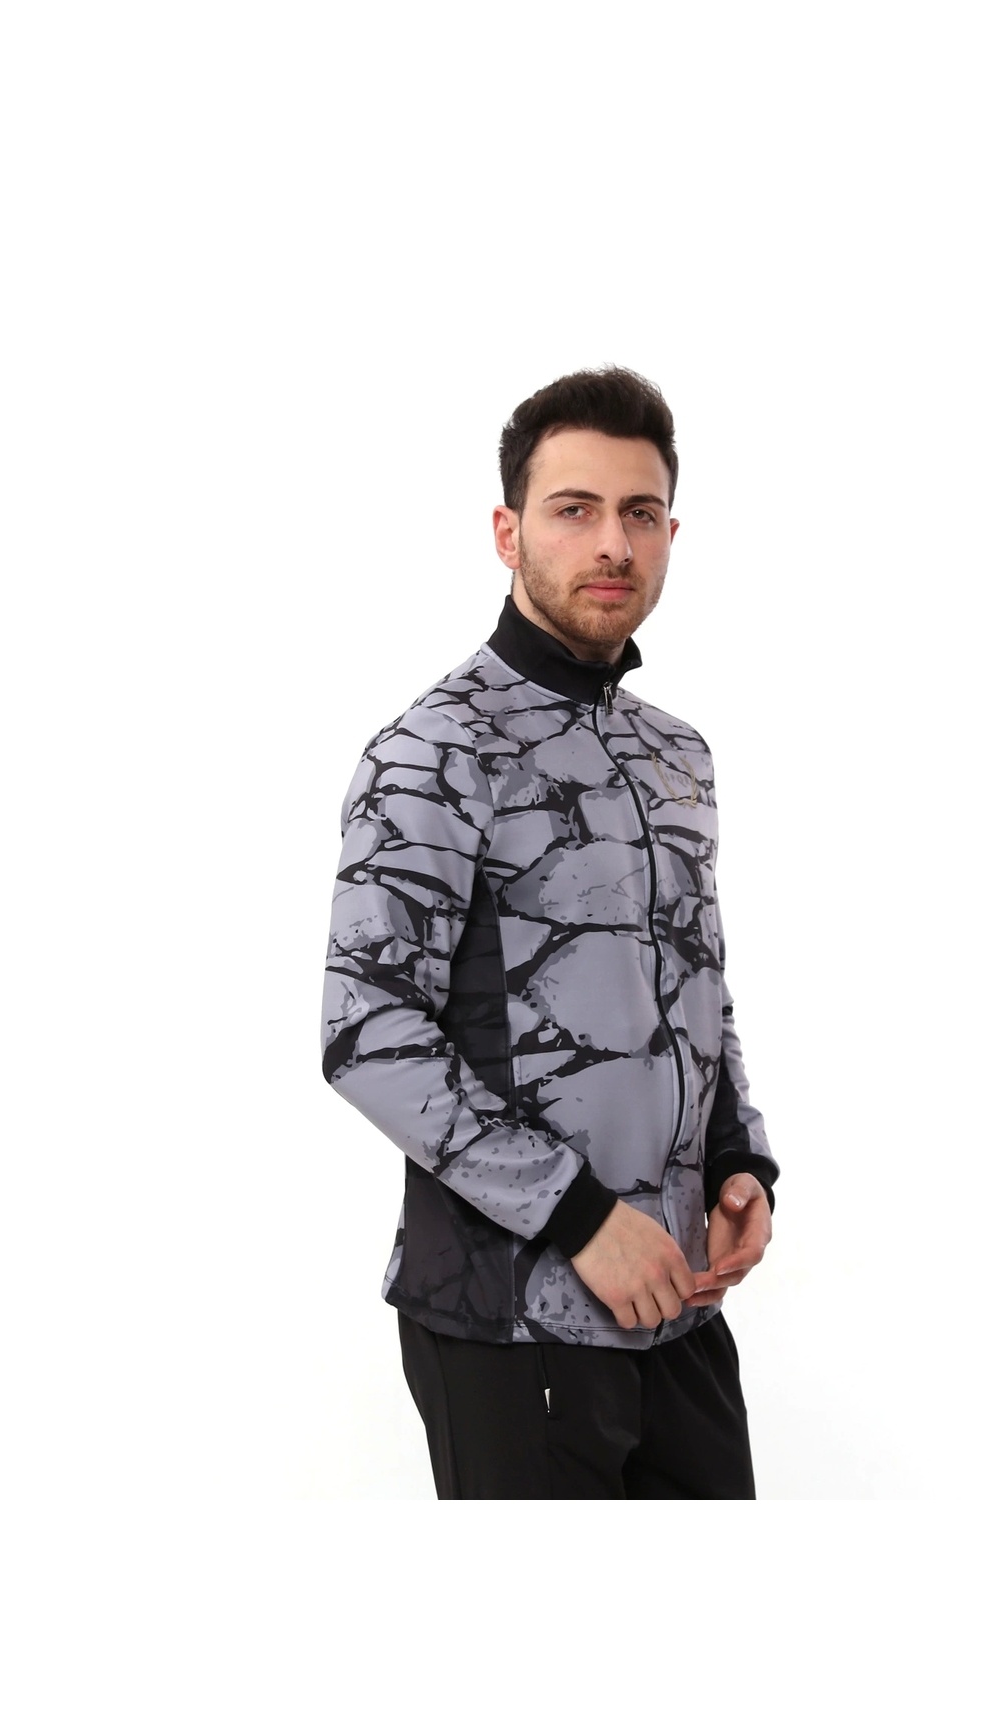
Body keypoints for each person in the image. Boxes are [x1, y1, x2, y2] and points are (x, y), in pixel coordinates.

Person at [321, 367, 780, 1499]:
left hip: (677, 1305)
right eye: (575, 509)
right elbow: (367, 1035)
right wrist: (580, 1219)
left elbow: (698, 985)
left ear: (670, 535)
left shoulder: (678, 754)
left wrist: (739, 1162)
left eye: (640, 513)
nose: (612, 543)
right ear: (508, 531)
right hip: (509, 1322)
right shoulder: (433, 751)